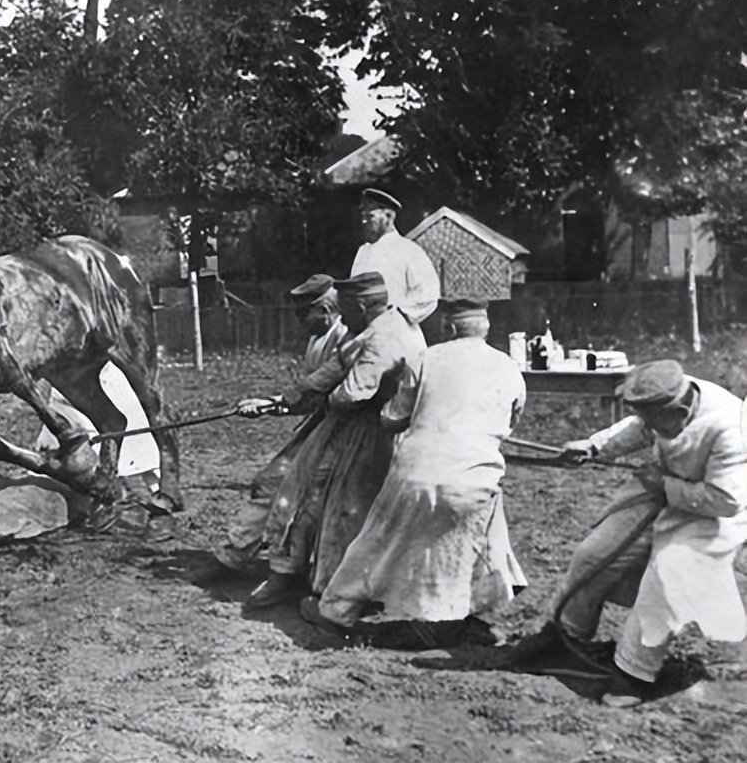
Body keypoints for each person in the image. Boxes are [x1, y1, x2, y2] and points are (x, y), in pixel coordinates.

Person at [507, 359, 746, 707]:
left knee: (667, 575)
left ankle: (634, 672)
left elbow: (727, 501)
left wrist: (666, 487)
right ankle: (564, 636)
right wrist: (593, 446)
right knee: (595, 553)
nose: (648, 426)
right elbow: (639, 427)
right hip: (666, 486)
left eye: (654, 419)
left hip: (717, 513)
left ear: (679, 409)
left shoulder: (729, 429)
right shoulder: (672, 393)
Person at [301, 297, 528, 636]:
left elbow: (393, 419)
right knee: (482, 531)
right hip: (478, 475)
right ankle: (483, 611)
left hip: (420, 471)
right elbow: (510, 423)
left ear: (450, 327)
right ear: (486, 329)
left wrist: (393, 400)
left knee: (376, 539)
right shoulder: (510, 368)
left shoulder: (427, 358)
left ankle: (336, 610)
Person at [242, 271, 427, 608]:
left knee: (348, 511)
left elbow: (353, 393)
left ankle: (338, 593)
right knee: (305, 496)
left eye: (346, 308)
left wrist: (318, 402)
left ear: (360, 305)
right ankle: (295, 575)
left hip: (376, 434)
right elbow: (331, 371)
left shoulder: (387, 337)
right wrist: (285, 399)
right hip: (348, 427)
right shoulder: (367, 331)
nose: (342, 316)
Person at [218, 275, 349, 571]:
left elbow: (316, 395)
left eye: (305, 314)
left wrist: (268, 404)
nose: (300, 321)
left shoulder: (345, 338)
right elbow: (306, 399)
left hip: (344, 429)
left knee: (274, 482)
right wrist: (265, 406)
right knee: (278, 487)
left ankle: (237, 554)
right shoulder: (318, 340)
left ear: (327, 310)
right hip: (321, 424)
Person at [350, 188, 440, 328]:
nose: (364, 221)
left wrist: (397, 314)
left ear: (389, 216)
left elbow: (429, 295)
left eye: (370, 216)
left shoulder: (409, 250)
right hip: (364, 332)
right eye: (363, 216)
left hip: (397, 333)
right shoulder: (363, 251)